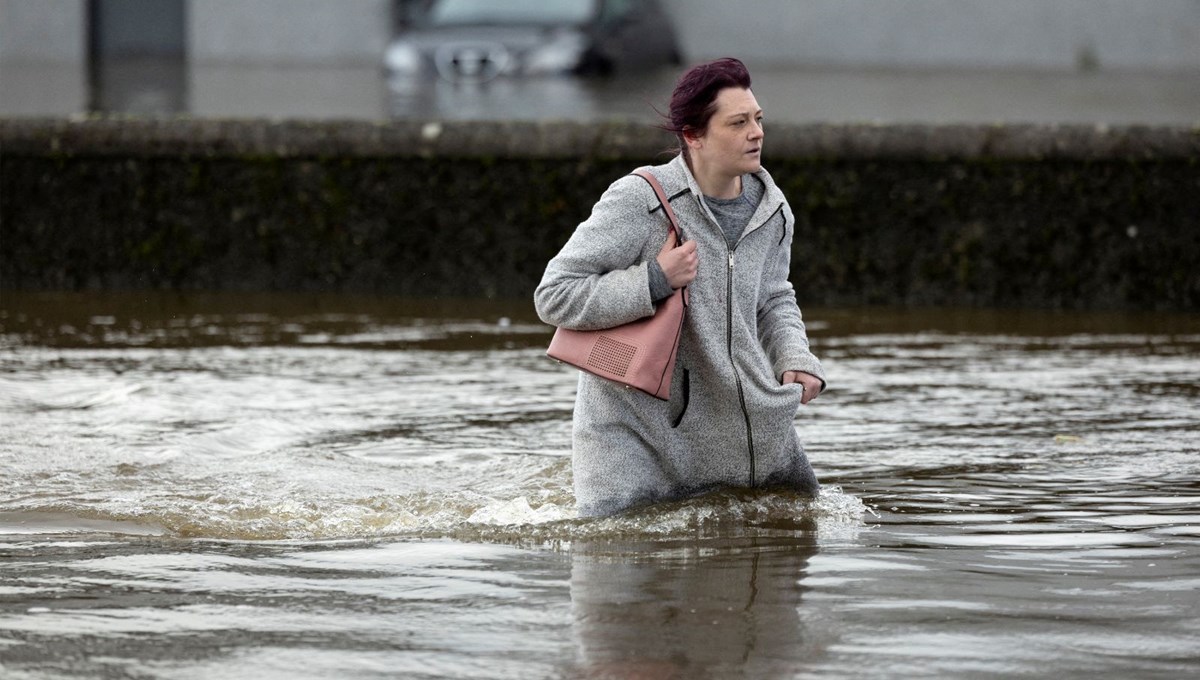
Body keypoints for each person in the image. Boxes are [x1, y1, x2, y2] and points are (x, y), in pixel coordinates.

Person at [535, 57, 827, 518]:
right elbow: (554, 295)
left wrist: (795, 358)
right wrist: (654, 280)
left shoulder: (773, 209)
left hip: (743, 430)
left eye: (758, 118)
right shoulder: (640, 199)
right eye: (738, 123)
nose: (757, 132)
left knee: (793, 543)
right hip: (635, 438)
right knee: (626, 568)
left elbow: (774, 297)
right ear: (693, 135)